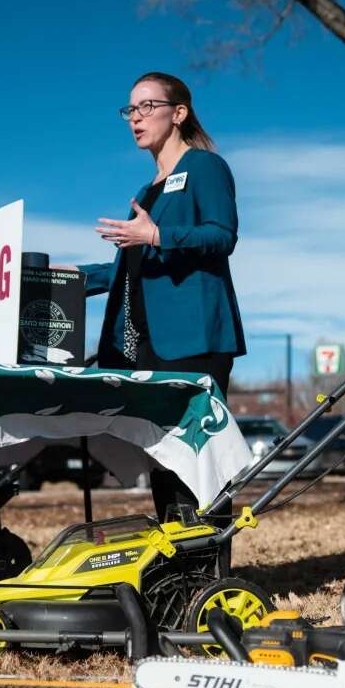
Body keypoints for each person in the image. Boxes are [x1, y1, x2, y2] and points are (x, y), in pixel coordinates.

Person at [78, 71, 246, 526]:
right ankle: (177, 564)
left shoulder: (205, 167)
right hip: (146, 345)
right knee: (164, 458)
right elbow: (126, 271)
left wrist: (157, 233)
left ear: (179, 113)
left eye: (147, 106)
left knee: (198, 460)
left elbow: (221, 235)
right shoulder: (145, 191)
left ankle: (210, 568)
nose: (136, 118)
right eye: (130, 110)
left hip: (194, 340)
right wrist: (69, 278)